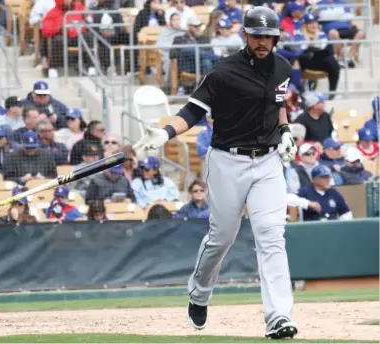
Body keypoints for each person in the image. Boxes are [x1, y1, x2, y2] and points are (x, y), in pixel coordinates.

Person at [133, 7, 298, 339]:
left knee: (271, 236)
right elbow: (193, 111)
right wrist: (165, 132)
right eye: (257, 35)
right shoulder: (223, 71)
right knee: (222, 237)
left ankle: (278, 316)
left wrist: (285, 132)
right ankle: (200, 291)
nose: (263, 41)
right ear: (245, 36)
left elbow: (277, 105)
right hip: (228, 161)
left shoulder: (282, 67)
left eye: (268, 36)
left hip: (267, 162)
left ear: (275, 38)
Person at [41, 0, 95, 78]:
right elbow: (45, 30)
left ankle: (91, 67)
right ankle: (53, 68)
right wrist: (59, 29)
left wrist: (88, 17)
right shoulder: (52, 12)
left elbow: (90, 18)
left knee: (89, 36)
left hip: (78, 36)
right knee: (58, 40)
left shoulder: (79, 6)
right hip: (64, 37)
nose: (68, 1)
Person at [317, 0, 364, 67]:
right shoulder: (320, 4)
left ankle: (349, 58)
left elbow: (349, 17)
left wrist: (329, 15)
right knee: (333, 33)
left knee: (361, 33)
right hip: (331, 29)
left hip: (346, 27)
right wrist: (340, 14)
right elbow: (319, 18)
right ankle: (341, 57)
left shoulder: (344, 3)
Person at [156, 13, 186, 84]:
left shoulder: (183, 31)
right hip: (167, 53)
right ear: (170, 21)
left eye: (178, 19)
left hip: (181, 53)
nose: (176, 21)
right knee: (169, 59)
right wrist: (172, 47)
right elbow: (160, 44)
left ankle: (185, 84)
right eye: (174, 20)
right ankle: (170, 84)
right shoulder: (165, 31)